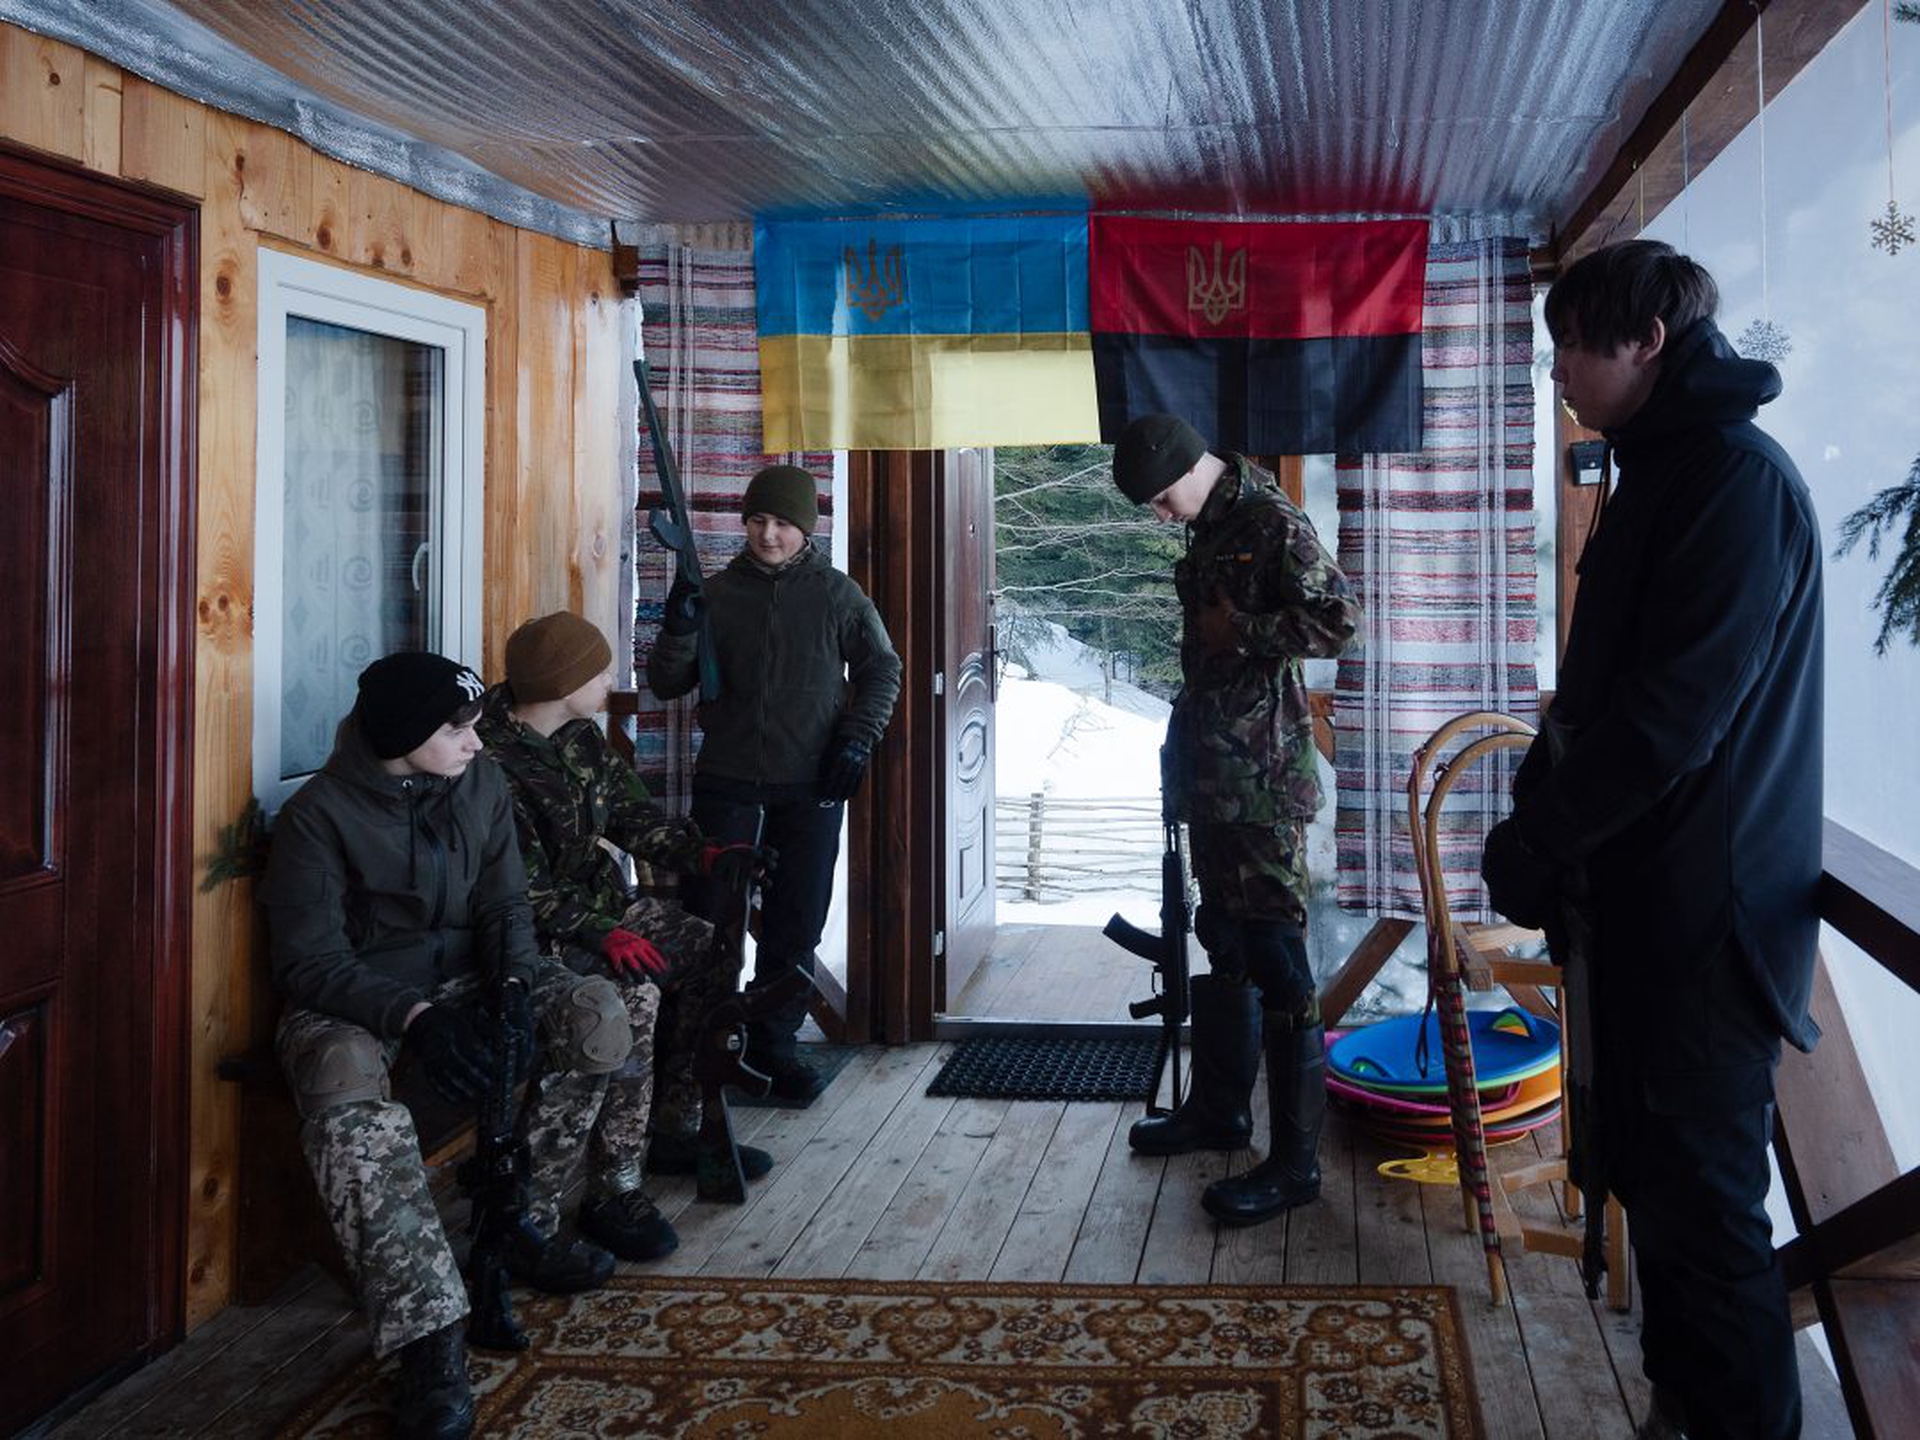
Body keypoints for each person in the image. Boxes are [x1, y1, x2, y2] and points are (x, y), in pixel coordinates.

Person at [1481, 240, 1821, 1440]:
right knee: (1665, 1199)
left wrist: (1538, 838)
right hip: (1645, 902)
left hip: (1706, 919)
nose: (1559, 366)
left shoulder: (1733, 480)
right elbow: (1594, 701)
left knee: (1711, 1214)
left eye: (1578, 342)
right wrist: (1539, 816)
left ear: (1650, 343)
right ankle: (1681, 1413)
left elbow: (1673, 718)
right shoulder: (1662, 468)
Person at [260, 652, 633, 1440]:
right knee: (342, 1089)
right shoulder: (318, 817)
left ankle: (518, 1222)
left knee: (595, 1014)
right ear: (403, 734)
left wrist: (515, 987)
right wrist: (418, 1016)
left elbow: (505, 906)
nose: (474, 740)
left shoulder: (481, 784)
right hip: (359, 1000)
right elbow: (311, 963)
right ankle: (428, 1340)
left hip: (472, 981)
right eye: (456, 727)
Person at [1109, 414, 1361, 1227]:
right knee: (1223, 939)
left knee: (1279, 962)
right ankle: (1221, 1113)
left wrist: (1243, 630)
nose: (1159, 514)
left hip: (1263, 786)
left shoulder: (1271, 520)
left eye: (1159, 497)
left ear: (1189, 465)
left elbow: (1336, 620)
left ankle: (1294, 1166)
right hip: (1213, 775)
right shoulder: (1212, 522)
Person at [478, 610, 777, 1259]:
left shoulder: (580, 737)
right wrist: (601, 932)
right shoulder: (492, 767)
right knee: (637, 990)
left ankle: (676, 1124)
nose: (613, 676)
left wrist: (706, 855)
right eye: (599, 667)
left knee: (708, 948)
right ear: (562, 681)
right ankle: (614, 1182)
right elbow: (513, 889)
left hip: (601, 912)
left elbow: (635, 818)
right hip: (538, 934)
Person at [647, 463, 902, 1102]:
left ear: (805, 528)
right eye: (758, 520)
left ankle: (773, 1044)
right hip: (727, 780)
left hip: (810, 782)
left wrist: (855, 740)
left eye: (783, 523)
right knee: (710, 921)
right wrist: (679, 628)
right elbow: (668, 683)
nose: (768, 534)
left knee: (796, 919)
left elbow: (883, 671)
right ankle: (697, 1053)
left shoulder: (838, 594)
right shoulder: (717, 594)